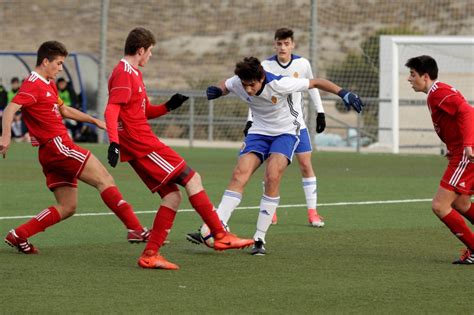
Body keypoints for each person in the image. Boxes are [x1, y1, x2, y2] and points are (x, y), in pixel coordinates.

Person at [104, 27, 254, 270]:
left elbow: (141, 112)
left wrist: (168, 107)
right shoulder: (123, 73)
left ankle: (150, 255)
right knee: (193, 178)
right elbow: (111, 110)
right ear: (140, 50)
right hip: (142, 144)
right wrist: (113, 142)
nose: (150, 56)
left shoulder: (133, 73)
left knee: (172, 196)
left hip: (140, 142)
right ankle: (220, 234)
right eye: (150, 51)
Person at [187, 56, 363, 255]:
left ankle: (259, 238)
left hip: (286, 132)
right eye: (244, 85)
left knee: (272, 176)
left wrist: (344, 93)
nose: (248, 90)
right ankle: (217, 230)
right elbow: (226, 85)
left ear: (261, 77)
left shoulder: (280, 83)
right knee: (239, 174)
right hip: (259, 131)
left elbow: (316, 82)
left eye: (252, 85)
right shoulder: (240, 82)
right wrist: (217, 90)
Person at [1, 41, 150, 255]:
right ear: (45, 61)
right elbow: (10, 109)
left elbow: (64, 110)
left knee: (68, 206)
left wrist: (94, 121)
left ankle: (19, 234)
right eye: (59, 63)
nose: (61, 68)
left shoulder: (48, 83)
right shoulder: (33, 84)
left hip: (49, 153)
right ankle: (135, 228)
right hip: (58, 146)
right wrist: (5, 137)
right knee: (104, 179)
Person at [245, 27, 327, 227]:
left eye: (286, 43)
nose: (282, 47)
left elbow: (313, 86)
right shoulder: (265, 66)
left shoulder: (302, 64)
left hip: (298, 125)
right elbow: (255, 97)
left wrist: (320, 111)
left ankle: (313, 213)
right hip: (272, 127)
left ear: (293, 44)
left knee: (306, 165)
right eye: (279, 43)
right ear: (275, 44)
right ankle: (270, 211)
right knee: (273, 170)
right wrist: (250, 120)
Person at [406, 55, 474, 265]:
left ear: (425, 76)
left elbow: (467, 111)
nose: (409, 79)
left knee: (439, 205)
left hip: (466, 155)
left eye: (413, 74)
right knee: (461, 203)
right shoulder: (437, 92)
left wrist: (467, 144)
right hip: (460, 153)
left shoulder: (438, 93)